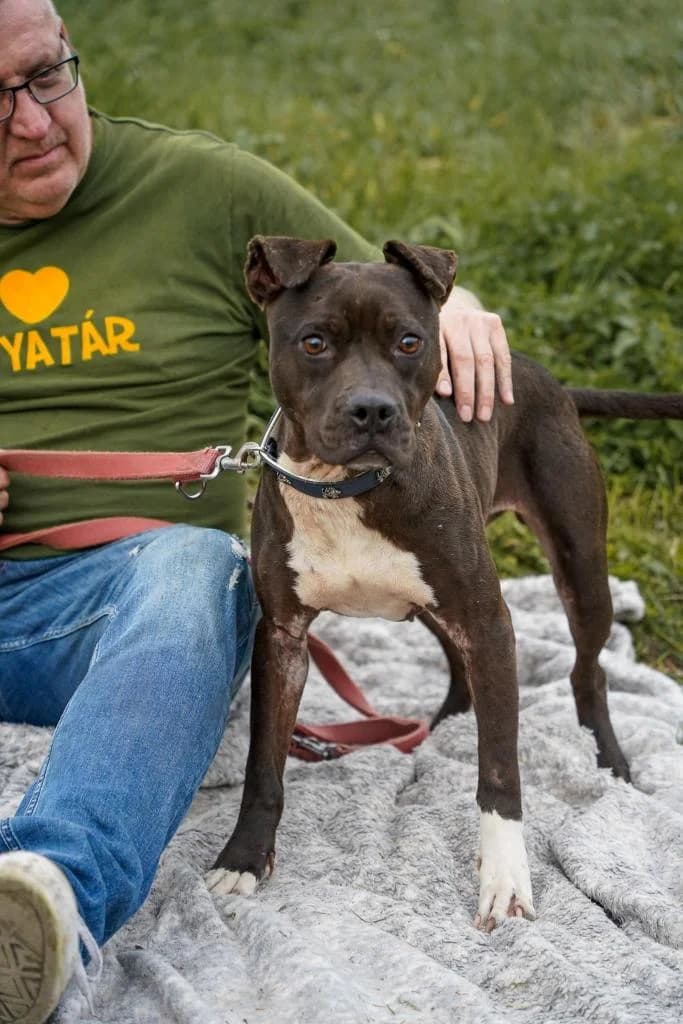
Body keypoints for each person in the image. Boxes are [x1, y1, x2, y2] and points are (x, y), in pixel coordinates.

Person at [0, 1, 514, 1020]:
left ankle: (45, 897)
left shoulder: (202, 188)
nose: (33, 120)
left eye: (48, 74)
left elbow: (385, 303)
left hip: (120, 601)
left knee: (203, 569)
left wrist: (462, 309)